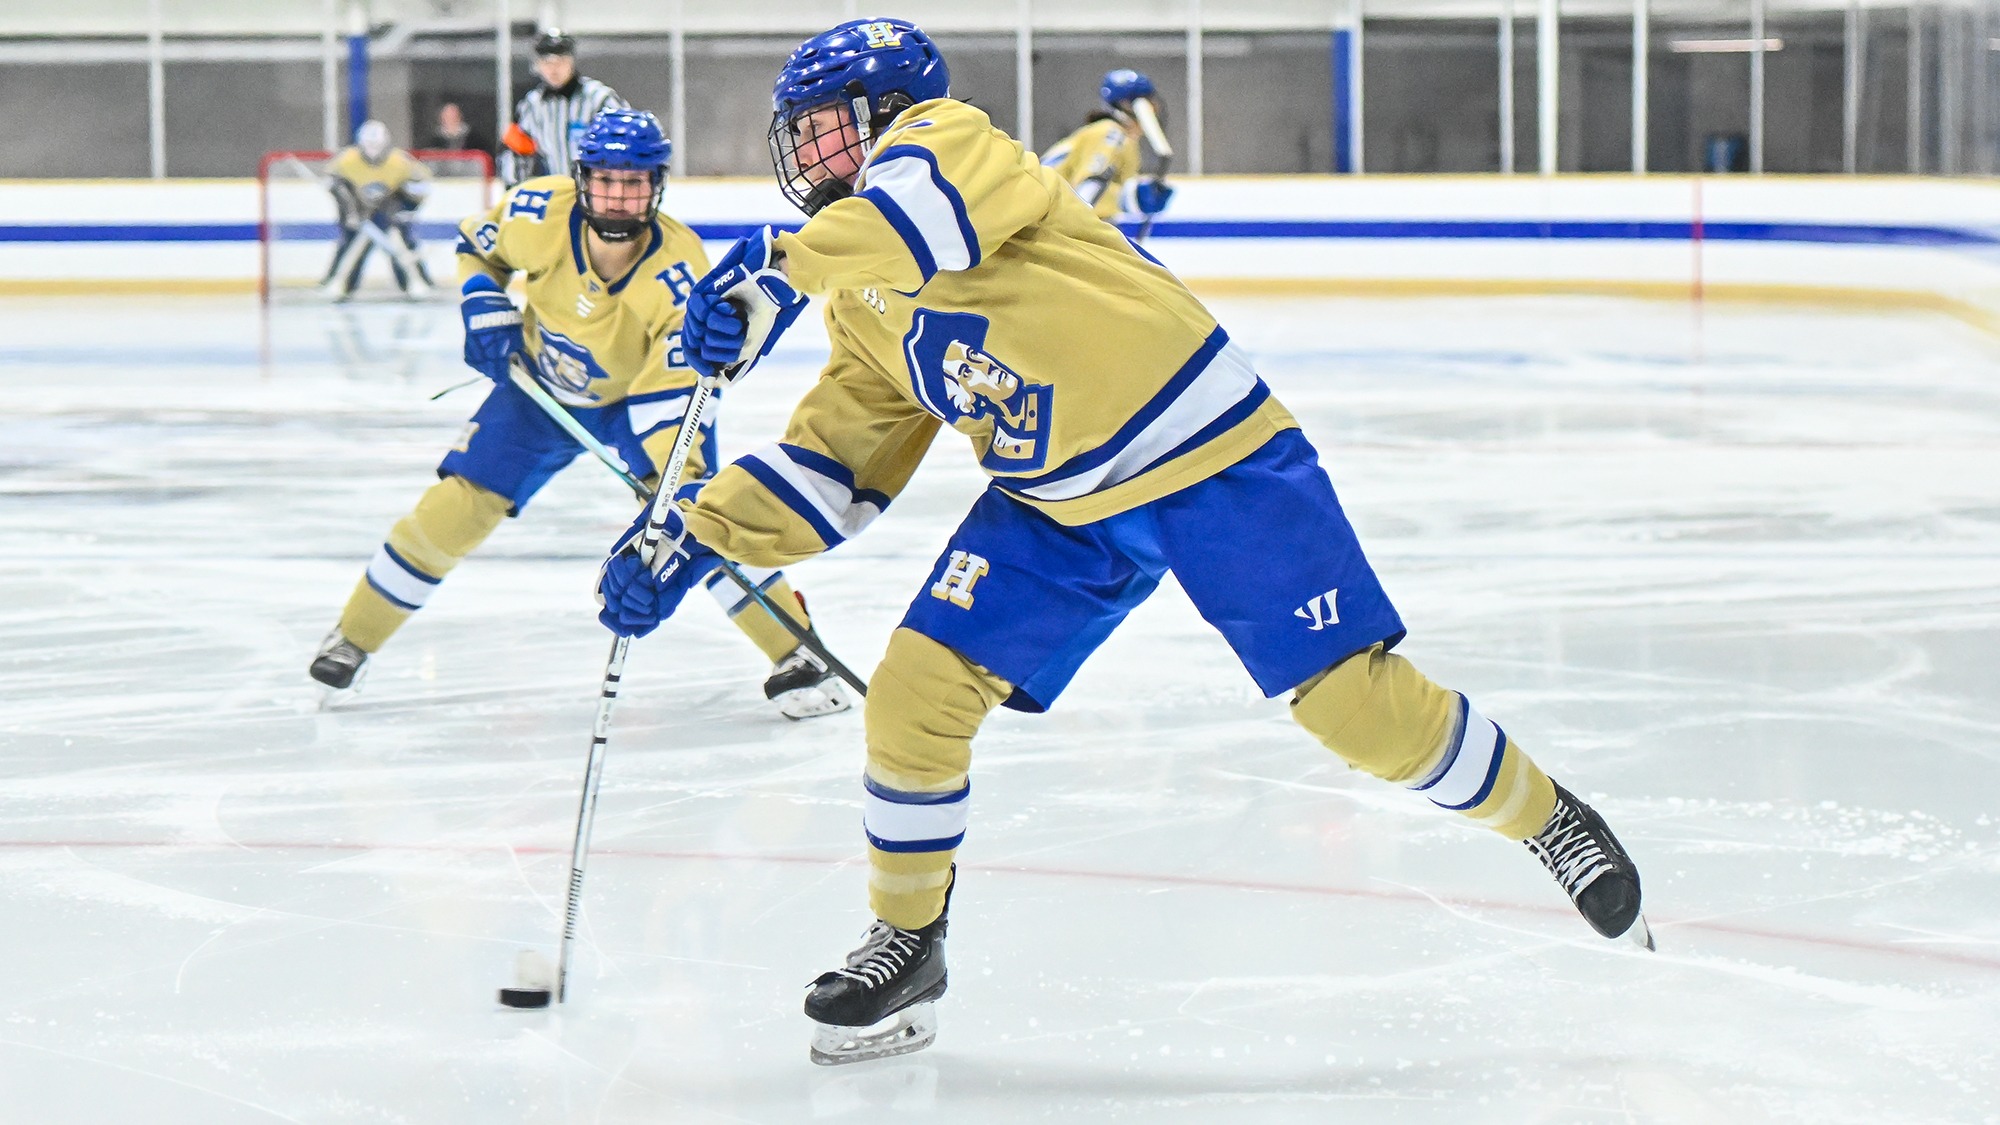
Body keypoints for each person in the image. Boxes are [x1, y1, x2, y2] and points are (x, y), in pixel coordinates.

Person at [595, 18, 1652, 1065]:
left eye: (824, 128)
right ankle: (907, 941)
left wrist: (775, 272)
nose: (804, 154)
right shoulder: (857, 309)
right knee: (915, 688)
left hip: (1207, 453)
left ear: (883, 114)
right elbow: (837, 466)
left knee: (1353, 710)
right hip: (1055, 505)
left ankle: (1546, 818)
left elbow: (915, 224)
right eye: (799, 134)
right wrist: (695, 538)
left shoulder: (947, 141)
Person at [311, 109, 850, 721]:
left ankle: (798, 654)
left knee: (698, 517)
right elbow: (477, 247)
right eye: (607, 181)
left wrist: (672, 479)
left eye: (636, 182)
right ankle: (352, 637)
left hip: (635, 404)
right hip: (536, 393)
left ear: (659, 184)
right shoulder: (536, 211)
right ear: (581, 178)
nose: (620, 198)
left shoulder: (678, 272)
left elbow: (671, 392)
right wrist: (483, 298)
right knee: (456, 507)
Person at [320, 120, 435, 302]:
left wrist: (403, 208)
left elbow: (421, 187)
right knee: (350, 244)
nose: (373, 150)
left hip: (389, 211)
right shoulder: (347, 160)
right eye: (368, 145)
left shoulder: (400, 161)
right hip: (358, 210)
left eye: (377, 145)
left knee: (403, 244)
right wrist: (349, 209)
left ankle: (416, 283)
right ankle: (340, 284)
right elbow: (332, 183)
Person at [1040, 69, 1173, 224]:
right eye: (1150, 102)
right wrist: (1131, 197)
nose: (1155, 108)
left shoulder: (1117, 136)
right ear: (1130, 106)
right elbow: (1086, 191)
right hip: (1041, 222)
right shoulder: (1111, 134)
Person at [499, 29, 627, 187]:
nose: (554, 69)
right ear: (537, 65)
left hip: (601, 192)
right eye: (547, 62)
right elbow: (515, 150)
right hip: (560, 194)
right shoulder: (531, 105)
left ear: (571, 62)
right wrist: (515, 188)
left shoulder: (598, 98)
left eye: (561, 61)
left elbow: (625, 140)